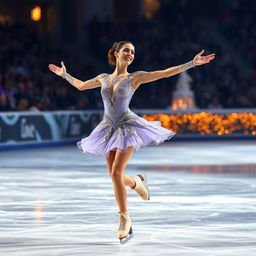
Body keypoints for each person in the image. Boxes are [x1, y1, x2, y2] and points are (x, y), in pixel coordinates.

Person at [48, 40, 215, 244]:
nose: (130, 54)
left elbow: (163, 73)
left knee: (117, 173)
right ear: (116, 53)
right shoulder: (103, 78)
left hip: (127, 126)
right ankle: (137, 182)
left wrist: (191, 64)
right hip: (107, 128)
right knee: (114, 175)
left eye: (133, 52)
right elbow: (81, 86)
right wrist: (65, 75)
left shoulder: (135, 78)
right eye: (127, 50)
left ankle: (124, 219)